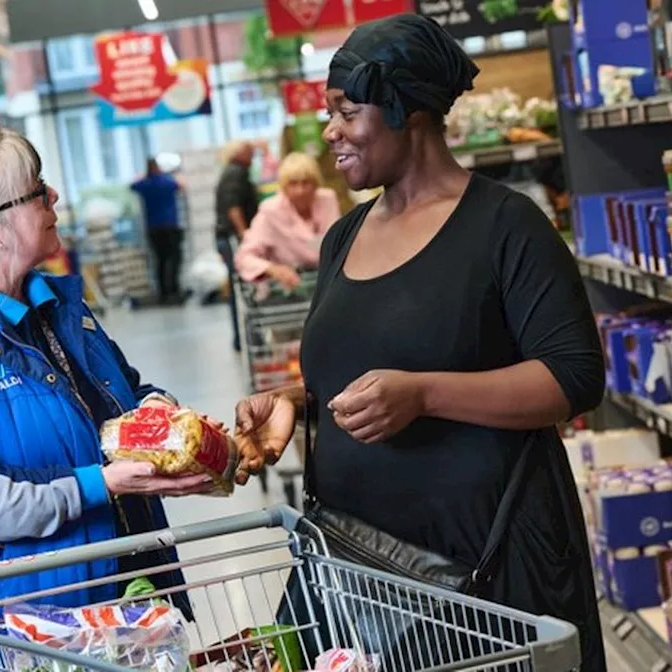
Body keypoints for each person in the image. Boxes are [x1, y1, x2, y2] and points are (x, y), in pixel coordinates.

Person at [233, 15, 607, 672]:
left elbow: (573, 377)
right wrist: (297, 401)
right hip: (360, 575)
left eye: (348, 112)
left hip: (483, 573)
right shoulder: (343, 238)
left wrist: (425, 394)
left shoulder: (505, 227)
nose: (331, 132)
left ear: (406, 109)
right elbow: (360, 369)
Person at [0, 124, 231, 670]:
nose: (53, 196)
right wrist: (100, 484)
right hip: (6, 640)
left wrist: (159, 415)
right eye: (36, 189)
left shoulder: (56, 307)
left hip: (102, 617)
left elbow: (126, 394)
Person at [234, 152, 340, 289]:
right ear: (283, 186)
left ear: (316, 183)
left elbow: (335, 242)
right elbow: (244, 258)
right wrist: (273, 269)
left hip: (329, 282)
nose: (300, 191)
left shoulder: (327, 199)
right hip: (290, 289)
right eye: (293, 184)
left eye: (306, 182)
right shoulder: (271, 211)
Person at [214, 140, 259, 351]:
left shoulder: (230, 171)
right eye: (249, 151)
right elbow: (233, 208)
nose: (253, 155)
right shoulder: (236, 173)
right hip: (232, 237)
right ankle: (243, 339)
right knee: (241, 289)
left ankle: (241, 338)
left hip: (226, 236)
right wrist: (245, 234)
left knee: (237, 289)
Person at [130, 158, 185, 303]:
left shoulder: (145, 184)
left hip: (153, 228)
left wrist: (143, 176)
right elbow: (180, 186)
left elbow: (132, 186)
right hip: (170, 225)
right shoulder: (167, 181)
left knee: (159, 260)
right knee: (174, 259)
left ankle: (163, 293)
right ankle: (174, 290)